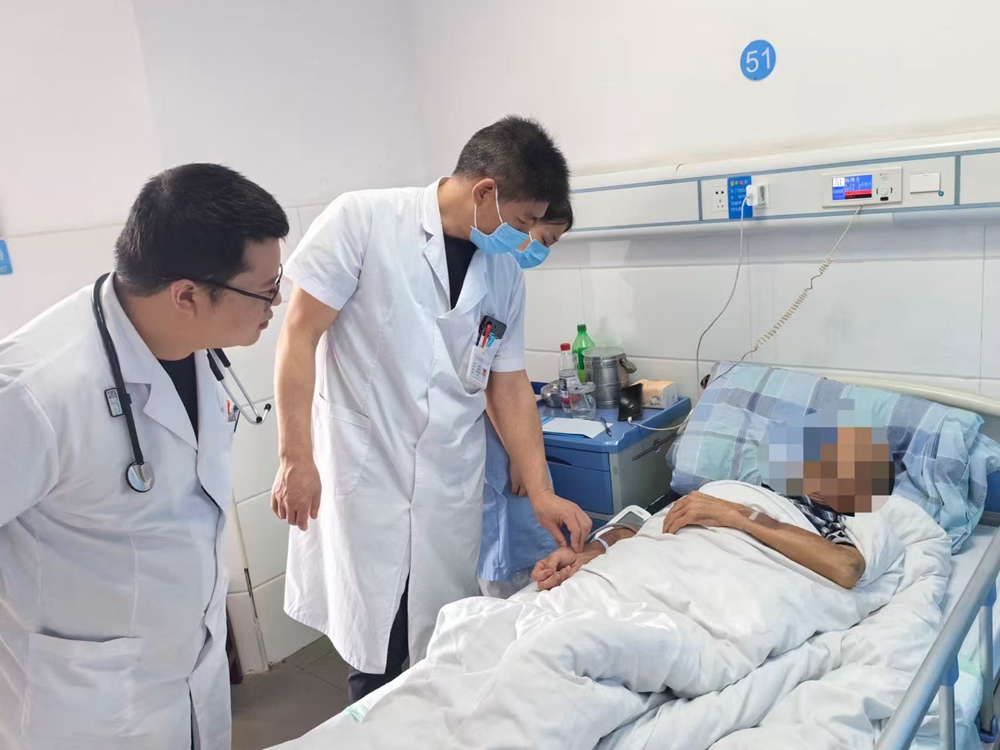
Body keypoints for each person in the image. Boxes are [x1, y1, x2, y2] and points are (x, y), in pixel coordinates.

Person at [271, 116, 593, 703]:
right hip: (368, 473)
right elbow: (299, 334)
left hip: (449, 478)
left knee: (443, 639)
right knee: (377, 645)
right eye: (524, 222)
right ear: (485, 191)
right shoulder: (363, 220)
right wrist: (296, 456)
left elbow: (508, 385)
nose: (527, 238)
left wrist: (542, 491)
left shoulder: (503, 270)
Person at [0, 164, 287, 750]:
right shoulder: (32, 392)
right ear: (187, 294)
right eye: (265, 290)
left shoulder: (192, 344)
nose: (275, 303)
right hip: (85, 705)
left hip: (187, 671)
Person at [533, 423, 896, 592]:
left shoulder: (828, 519)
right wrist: (595, 551)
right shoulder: (744, 489)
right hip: (651, 566)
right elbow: (650, 523)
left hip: (708, 588)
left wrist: (737, 515)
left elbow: (846, 567)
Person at [479, 199, 574, 598]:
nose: (542, 252)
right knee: (507, 553)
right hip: (491, 438)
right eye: (544, 239)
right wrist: (519, 456)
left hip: (503, 428)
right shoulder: (491, 270)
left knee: (526, 544)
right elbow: (488, 379)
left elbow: (504, 371)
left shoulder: (505, 278)